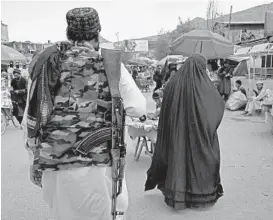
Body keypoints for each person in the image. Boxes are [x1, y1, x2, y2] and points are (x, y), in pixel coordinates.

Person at [22, 7, 146, 220]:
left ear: (69, 34)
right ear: (97, 32)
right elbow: (138, 107)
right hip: (99, 165)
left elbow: (31, 116)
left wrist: (33, 155)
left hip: (56, 163)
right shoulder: (111, 65)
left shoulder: (50, 63)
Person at [145, 54, 225, 210]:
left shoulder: (173, 83)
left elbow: (165, 108)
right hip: (199, 135)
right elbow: (217, 106)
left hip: (177, 134)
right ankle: (200, 195)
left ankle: (179, 195)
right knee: (201, 162)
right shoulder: (204, 85)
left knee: (179, 161)